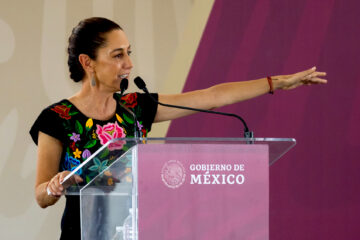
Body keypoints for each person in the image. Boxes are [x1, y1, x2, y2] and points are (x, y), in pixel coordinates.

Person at [29, 17, 327, 239]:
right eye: (118, 55)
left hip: (140, 230)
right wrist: (55, 186)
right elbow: (41, 195)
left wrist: (278, 83)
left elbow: (212, 97)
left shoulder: (136, 107)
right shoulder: (58, 117)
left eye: (129, 52)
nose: (129, 64)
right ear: (87, 62)